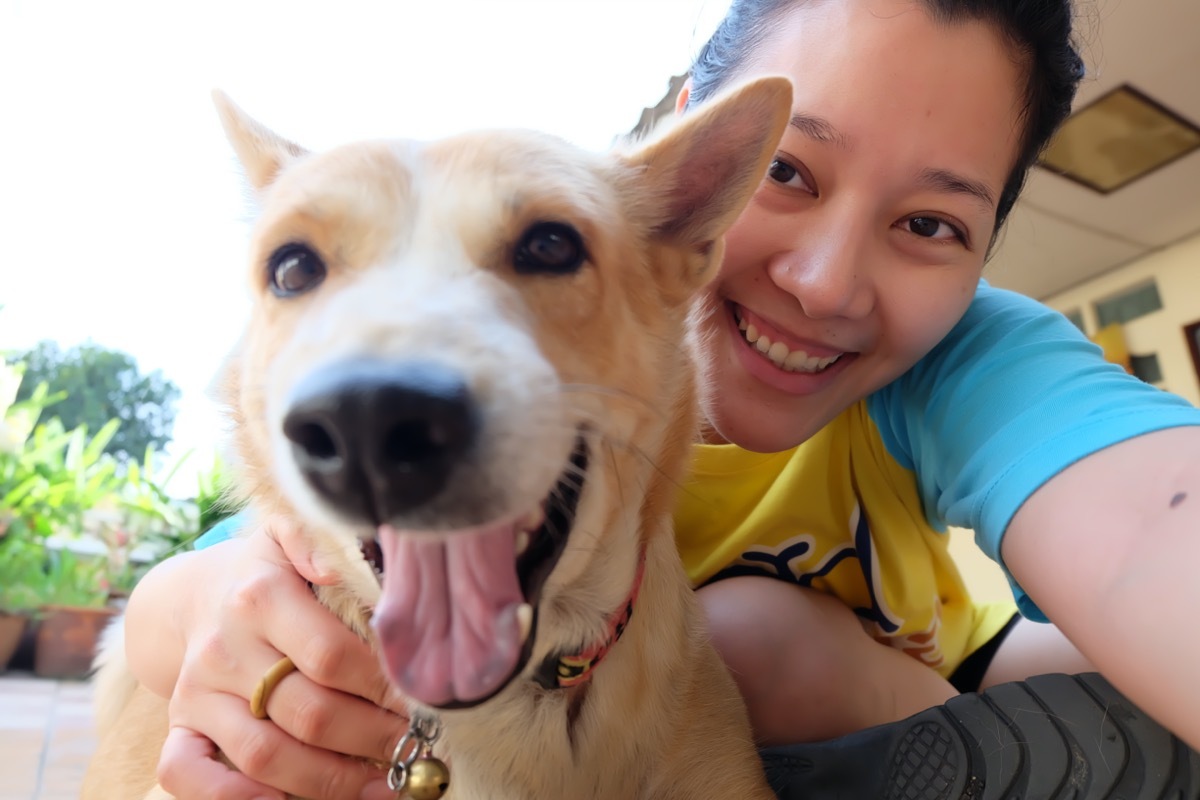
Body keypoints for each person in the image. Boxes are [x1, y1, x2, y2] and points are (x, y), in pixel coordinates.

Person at [122, 1, 1200, 798]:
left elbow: (1158, 531)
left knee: (759, 640)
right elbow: (234, 568)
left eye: (932, 224)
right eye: (787, 170)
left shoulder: (966, 354)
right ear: (697, 168)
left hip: (968, 656)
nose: (825, 284)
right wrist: (185, 611)